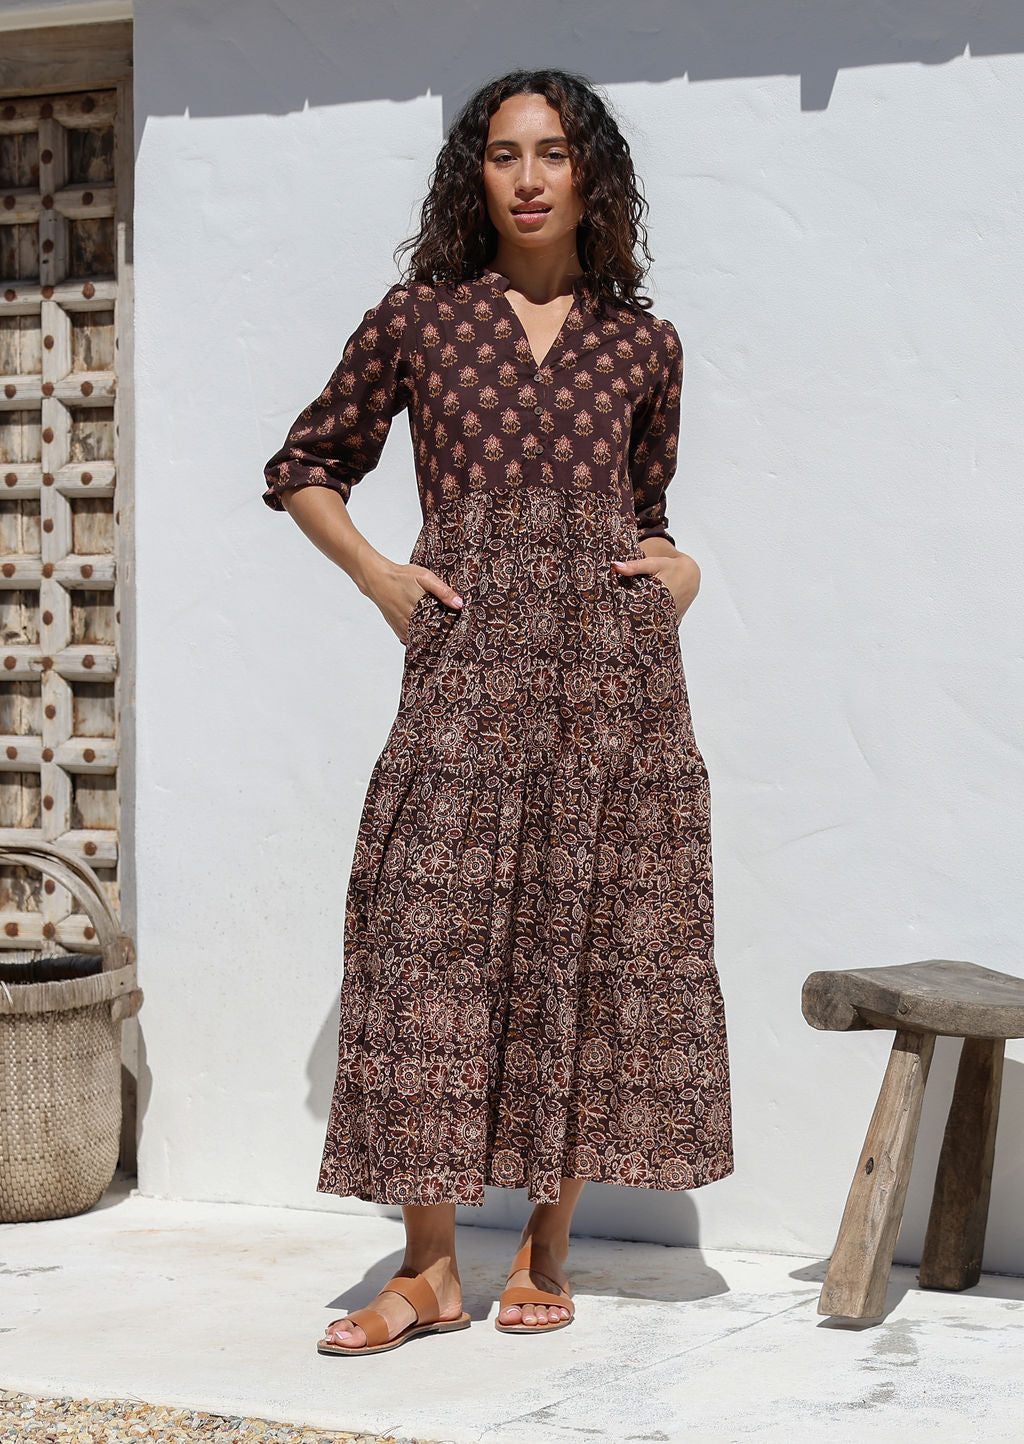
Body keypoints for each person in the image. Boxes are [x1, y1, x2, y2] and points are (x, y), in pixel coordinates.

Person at [263, 67, 733, 1357]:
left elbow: (648, 514)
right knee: (428, 948)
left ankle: (544, 1239)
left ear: (591, 175)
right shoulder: (422, 319)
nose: (528, 176)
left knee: (580, 936)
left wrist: (680, 572)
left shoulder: (644, 341)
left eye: (554, 152)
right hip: (466, 667)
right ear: (476, 174)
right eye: (505, 153)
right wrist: (378, 577)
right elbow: (303, 465)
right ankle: (426, 1270)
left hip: (609, 677)